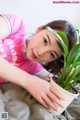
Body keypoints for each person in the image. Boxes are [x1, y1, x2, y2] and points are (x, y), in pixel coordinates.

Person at [0, 14, 77, 111]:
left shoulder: (34, 69)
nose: (41, 52)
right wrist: (28, 81)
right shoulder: (16, 24)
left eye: (52, 54)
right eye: (45, 41)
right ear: (39, 29)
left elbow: (60, 85)